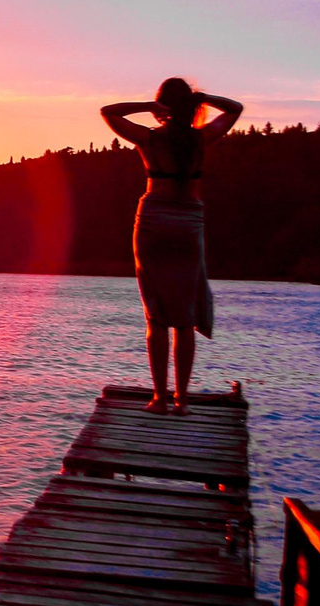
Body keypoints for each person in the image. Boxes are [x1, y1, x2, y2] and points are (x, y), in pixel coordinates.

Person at [101, 78, 243, 412]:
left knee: (156, 318)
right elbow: (234, 109)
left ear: (163, 105)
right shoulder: (202, 138)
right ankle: (181, 400)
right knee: (184, 318)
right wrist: (203, 98)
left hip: (153, 221)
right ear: (190, 105)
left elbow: (109, 112)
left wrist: (150, 108)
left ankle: (159, 399)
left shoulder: (149, 138)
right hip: (188, 224)